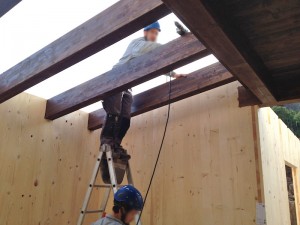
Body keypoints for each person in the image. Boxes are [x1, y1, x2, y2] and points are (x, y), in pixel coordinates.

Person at [100, 21, 185, 159]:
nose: (154, 36)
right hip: (115, 79)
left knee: (126, 118)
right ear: (145, 32)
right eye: (153, 32)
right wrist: (172, 47)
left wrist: (174, 74)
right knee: (114, 113)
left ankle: (116, 144)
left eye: (156, 34)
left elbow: (156, 62)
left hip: (127, 85)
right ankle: (107, 143)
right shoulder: (137, 43)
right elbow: (146, 50)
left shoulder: (150, 47)